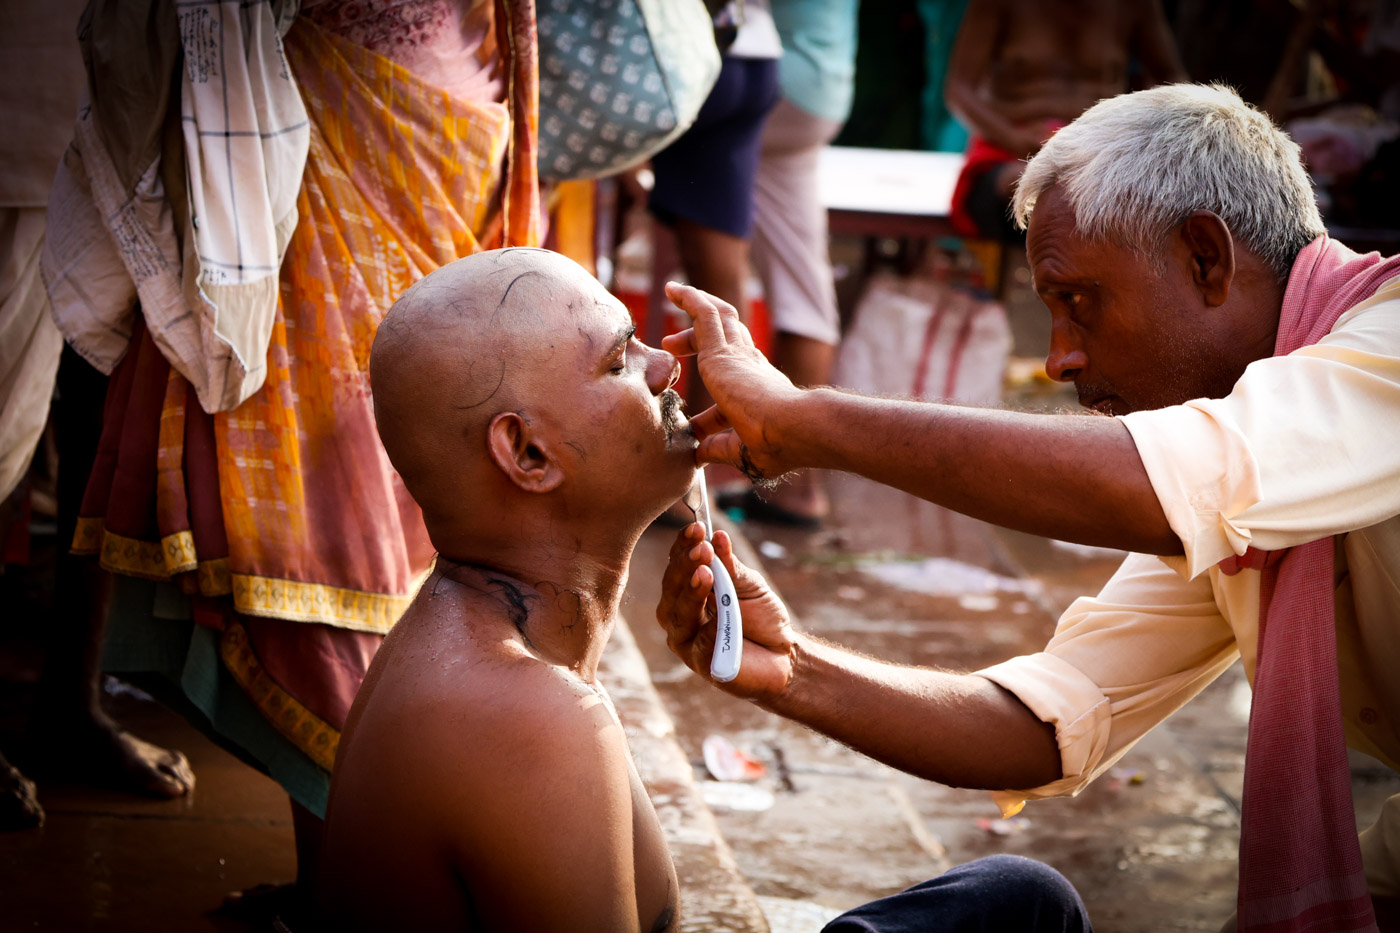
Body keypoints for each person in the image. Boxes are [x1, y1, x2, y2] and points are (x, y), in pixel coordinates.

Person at [655, 84, 1400, 931]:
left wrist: (802, 420)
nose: (1057, 358)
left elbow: (1155, 481)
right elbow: (1050, 720)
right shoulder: (1230, 501)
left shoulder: (1381, 348)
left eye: (1076, 299)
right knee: (1015, 899)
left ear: (1206, 257)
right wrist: (791, 667)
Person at [41, 0, 540, 918]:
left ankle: (352, 885)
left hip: (368, 110)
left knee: (328, 526)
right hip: (461, 101)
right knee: (396, 517)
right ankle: (366, 875)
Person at [313, 248, 691, 931]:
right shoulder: (532, 716)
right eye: (619, 361)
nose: (664, 367)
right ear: (527, 454)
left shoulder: (474, 645)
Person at [724, 0, 858, 527]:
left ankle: (705, 479)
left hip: (771, 75)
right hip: (824, 86)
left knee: (711, 249)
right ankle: (797, 489)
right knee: (803, 285)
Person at [943, 0, 1185, 240]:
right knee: (1026, 187)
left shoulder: (1134, 5)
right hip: (1012, 150)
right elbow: (959, 90)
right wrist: (1016, 139)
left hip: (1100, 153)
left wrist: (1137, 139)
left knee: (1145, 195)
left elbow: (1173, 81)